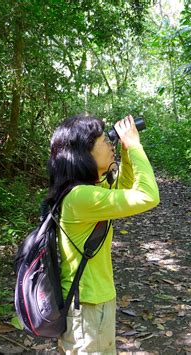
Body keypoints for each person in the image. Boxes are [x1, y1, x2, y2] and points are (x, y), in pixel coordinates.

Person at [44, 114, 160, 354]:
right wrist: (136, 145)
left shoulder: (87, 191)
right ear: (84, 153)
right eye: (104, 141)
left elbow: (127, 188)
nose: (110, 145)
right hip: (87, 307)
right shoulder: (81, 197)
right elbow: (148, 196)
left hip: (93, 303)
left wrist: (127, 152)